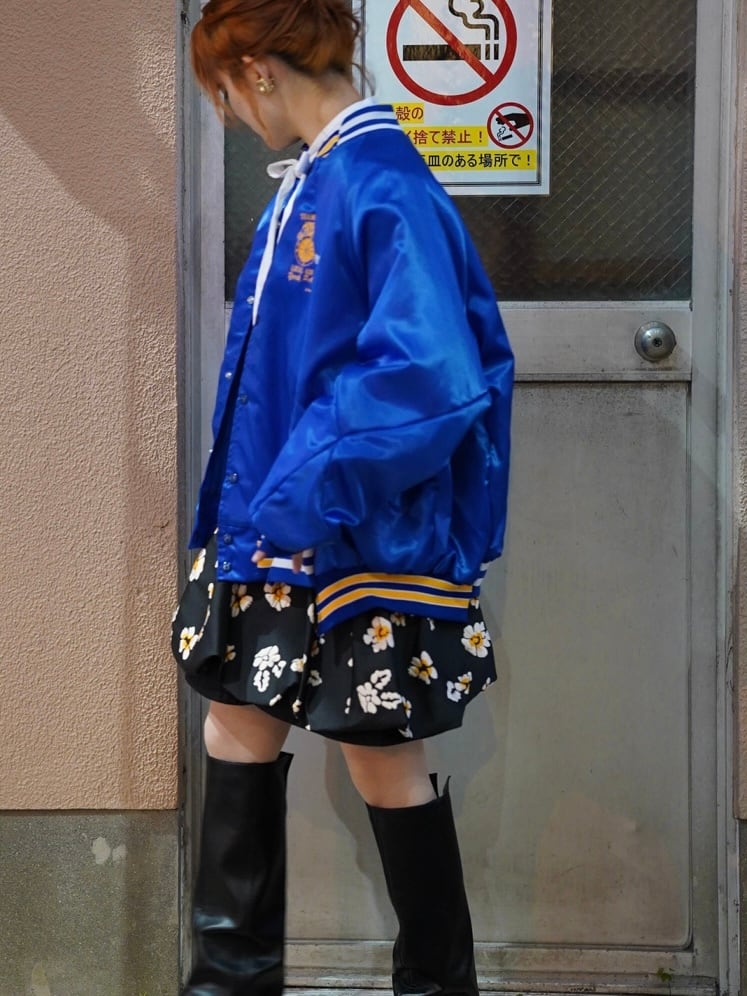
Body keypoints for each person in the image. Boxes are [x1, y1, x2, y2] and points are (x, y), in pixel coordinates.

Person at [174, 0, 514, 993]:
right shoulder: (324, 176)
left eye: (224, 93)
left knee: (380, 758)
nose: (232, 115)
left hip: (350, 531)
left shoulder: (377, 180)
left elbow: (430, 375)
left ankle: (434, 983)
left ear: (256, 70)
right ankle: (230, 983)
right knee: (238, 725)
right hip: (284, 528)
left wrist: (299, 485)